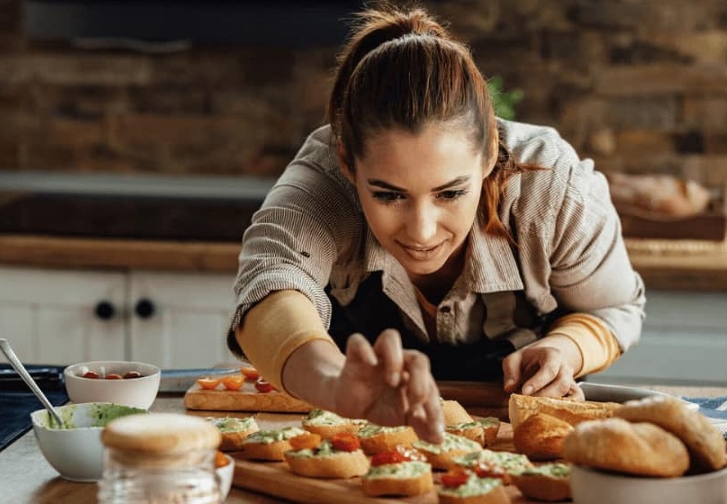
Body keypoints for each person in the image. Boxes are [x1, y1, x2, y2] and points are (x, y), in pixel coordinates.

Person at [226, 5, 645, 444]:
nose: (421, 232)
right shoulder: (321, 185)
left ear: (488, 156)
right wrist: (335, 385)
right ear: (348, 163)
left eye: (450, 193)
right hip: (353, 433)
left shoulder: (553, 186)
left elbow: (612, 309)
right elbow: (269, 288)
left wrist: (566, 348)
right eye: (389, 195)